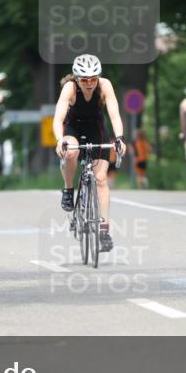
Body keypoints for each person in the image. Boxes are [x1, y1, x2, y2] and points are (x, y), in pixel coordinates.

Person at [53, 54, 126, 252]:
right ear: (76, 78)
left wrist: (119, 138)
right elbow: (58, 117)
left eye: (93, 79)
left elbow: (114, 115)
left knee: (101, 179)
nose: (89, 83)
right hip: (73, 127)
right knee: (70, 153)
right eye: (84, 79)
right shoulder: (70, 88)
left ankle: (104, 231)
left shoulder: (105, 86)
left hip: (96, 127)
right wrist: (60, 140)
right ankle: (68, 189)